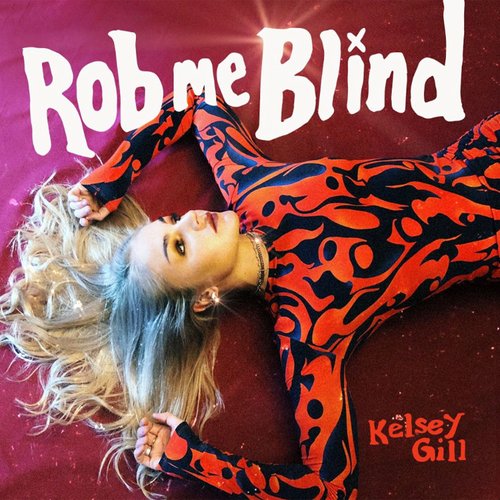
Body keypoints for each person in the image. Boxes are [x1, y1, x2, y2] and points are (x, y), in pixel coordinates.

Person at [2, 86, 499, 499]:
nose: (192, 219)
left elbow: (196, 103)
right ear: (202, 298)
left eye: (172, 220)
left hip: (483, 154)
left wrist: (113, 177)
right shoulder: (308, 330)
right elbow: (331, 488)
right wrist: (193, 461)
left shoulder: (250, 187)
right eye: (179, 245)